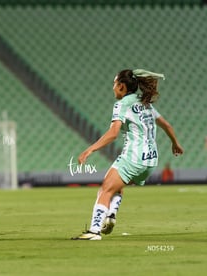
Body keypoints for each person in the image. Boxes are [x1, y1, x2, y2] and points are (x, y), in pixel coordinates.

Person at [71, 69, 184, 240]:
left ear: (121, 86)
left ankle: (94, 231)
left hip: (134, 157)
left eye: (114, 84)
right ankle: (110, 216)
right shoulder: (145, 103)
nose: (113, 88)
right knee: (116, 185)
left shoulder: (122, 104)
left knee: (105, 190)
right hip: (151, 161)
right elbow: (167, 126)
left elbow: (113, 133)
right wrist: (175, 143)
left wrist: (89, 149)